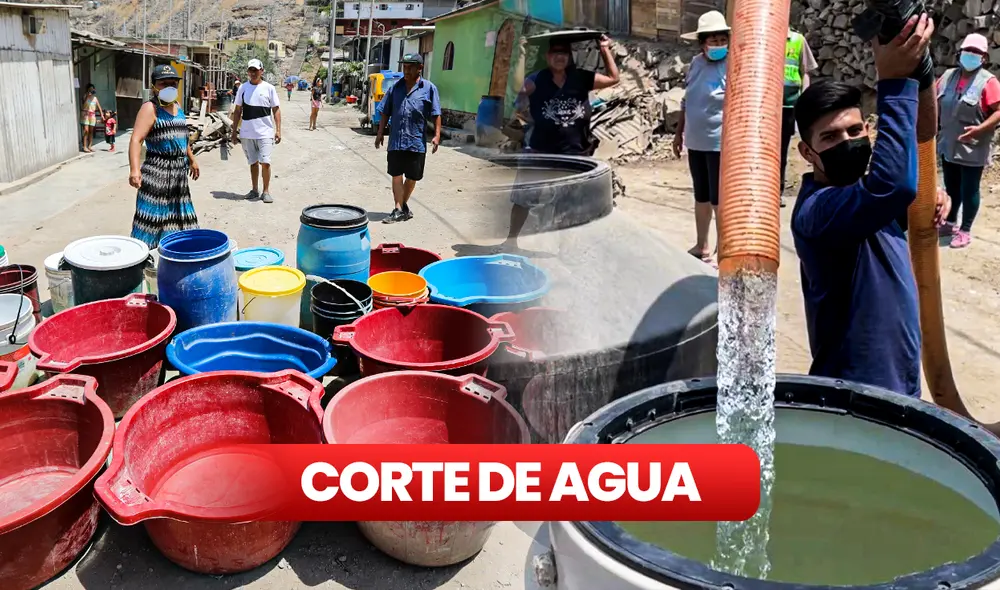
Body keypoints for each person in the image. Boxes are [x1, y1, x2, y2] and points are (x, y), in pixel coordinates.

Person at [791, 14, 951, 399]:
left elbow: (909, 167)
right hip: (855, 397)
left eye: (855, 130)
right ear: (807, 153)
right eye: (830, 137)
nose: (848, 141)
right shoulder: (819, 212)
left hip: (897, 382)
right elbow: (892, 186)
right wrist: (893, 81)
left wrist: (929, 196)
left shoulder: (863, 197)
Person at [497, 33, 620, 252]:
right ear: (547, 56)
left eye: (564, 52)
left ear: (569, 56)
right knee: (524, 197)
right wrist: (522, 53)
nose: (560, 56)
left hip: (574, 154)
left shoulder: (582, 78)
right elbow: (519, 99)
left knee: (569, 202)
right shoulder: (536, 79)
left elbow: (613, 78)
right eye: (556, 52)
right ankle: (510, 241)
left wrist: (604, 49)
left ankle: (565, 249)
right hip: (538, 151)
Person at [673, 11, 730, 266]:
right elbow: (688, 99)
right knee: (701, 196)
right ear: (702, 43)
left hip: (720, 143)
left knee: (720, 200)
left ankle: (722, 251)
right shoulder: (696, 63)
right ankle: (702, 245)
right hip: (695, 141)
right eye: (713, 40)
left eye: (721, 39)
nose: (718, 45)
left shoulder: (733, 64)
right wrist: (679, 132)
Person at [936, 33, 1000, 249]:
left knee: (969, 188)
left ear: (984, 58)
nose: (971, 55)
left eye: (977, 53)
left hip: (973, 145)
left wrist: (979, 129)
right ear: (960, 52)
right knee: (951, 185)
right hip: (948, 142)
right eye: (968, 51)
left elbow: (998, 111)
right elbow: (933, 101)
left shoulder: (988, 82)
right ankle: (950, 222)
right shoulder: (946, 77)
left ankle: (965, 230)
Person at [128, 64, 200, 249]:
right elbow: (136, 139)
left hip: (178, 174)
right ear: (154, 86)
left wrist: (191, 159)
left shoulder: (177, 106)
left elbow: (182, 137)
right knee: (151, 218)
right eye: (163, 83)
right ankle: (143, 259)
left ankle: (175, 254)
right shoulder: (149, 108)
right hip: (157, 171)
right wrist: (134, 170)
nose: (169, 87)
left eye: (173, 83)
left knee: (179, 217)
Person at [374, 54, 442, 224]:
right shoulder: (395, 88)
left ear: (420, 67)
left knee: (412, 177)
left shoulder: (429, 88)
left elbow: (436, 113)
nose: (407, 70)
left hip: (416, 141)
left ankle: (403, 206)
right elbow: (385, 112)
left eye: (411, 67)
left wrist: (437, 135)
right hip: (396, 139)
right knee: (396, 174)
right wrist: (380, 132)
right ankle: (398, 208)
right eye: (405, 66)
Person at [230, 59, 282, 204]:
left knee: (265, 162)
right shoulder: (243, 88)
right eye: (250, 70)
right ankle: (254, 190)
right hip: (247, 133)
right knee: (253, 162)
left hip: (265, 132)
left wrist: (278, 130)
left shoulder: (269, 88)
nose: (253, 73)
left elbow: (276, 110)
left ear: (261, 71)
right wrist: (234, 131)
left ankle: (266, 192)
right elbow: (238, 110)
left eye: (255, 70)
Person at [779, 28, 819, 208]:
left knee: (780, 152)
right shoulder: (763, 35)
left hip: (789, 106)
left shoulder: (798, 40)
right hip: (765, 104)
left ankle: (776, 192)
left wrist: (804, 99)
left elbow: (806, 72)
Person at [80, 84, 105, 153]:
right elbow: (83, 103)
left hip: (92, 116)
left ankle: (90, 146)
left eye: (92, 89)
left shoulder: (95, 98)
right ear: (87, 90)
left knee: (91, 131)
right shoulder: (85, 96)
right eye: (90, 89)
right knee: (86, 131)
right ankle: (84, 146)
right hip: (85, 115)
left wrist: (102, 116)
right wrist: (88, 96)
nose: (91, 90)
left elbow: (99, 107)